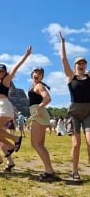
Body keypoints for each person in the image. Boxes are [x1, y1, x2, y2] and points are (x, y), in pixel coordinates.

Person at [0, 42, 31, 158]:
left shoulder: (6, 81)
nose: (1, 73)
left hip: (4, 107)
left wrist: (26, 56)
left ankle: (14, 140)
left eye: (3, 71)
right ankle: (13, 143)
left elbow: (16, 67)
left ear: (5, 72)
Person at [59, 32, 90, 181]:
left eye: (83, 63)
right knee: (76, 144)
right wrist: (63, 43)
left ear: (86, 65)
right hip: (74, 113)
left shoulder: (89, 77)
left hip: (89, 111)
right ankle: (75, 171)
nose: (81, 65)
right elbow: (63, 59)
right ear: (75, 66)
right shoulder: (71, 76)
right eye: (78, 63)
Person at [28, 68, 56, 181]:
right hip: (38, 114)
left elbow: (48, 98)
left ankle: (49, 171)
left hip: (39, 114)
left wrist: (39, 107)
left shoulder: (39, 85)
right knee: (40, 144)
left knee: (36, 144)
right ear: (32, 74)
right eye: (36, 72)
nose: (37, 74)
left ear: (42, 77)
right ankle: (49, 170)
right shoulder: (33, 86)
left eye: (40, 74)